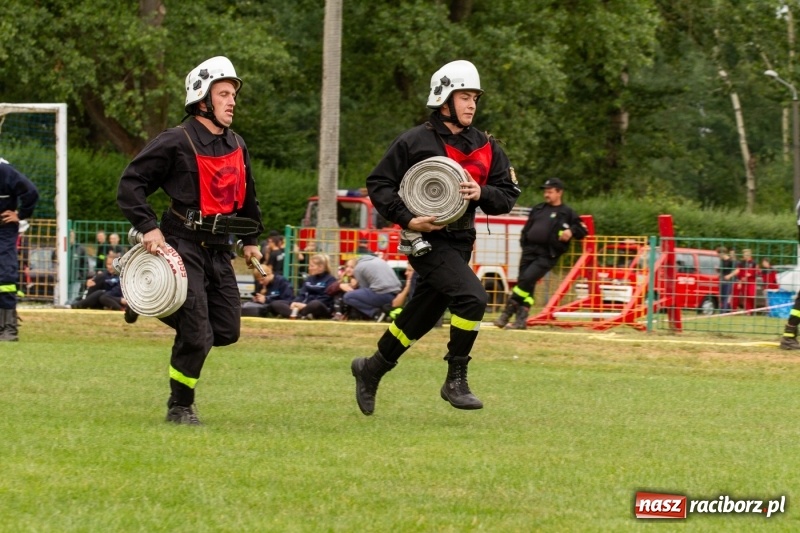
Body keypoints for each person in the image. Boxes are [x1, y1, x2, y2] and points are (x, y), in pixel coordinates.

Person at [351, 59, 520, 415]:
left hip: (462, 243)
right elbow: (379, 184)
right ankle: (455, 378)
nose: (472, 103)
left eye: (475, 97)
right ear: (444, 99)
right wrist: (409, 219)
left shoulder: (488, 146)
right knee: (473, 299)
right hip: (426, 242)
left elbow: (507, 195)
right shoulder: (414, 140)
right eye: (465, 96)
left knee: (422, 315)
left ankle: (371, 368)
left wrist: (482, 193)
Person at [117, 56, 264, 425]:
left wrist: (250, 240)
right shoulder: (174, 141)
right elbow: (130, 185)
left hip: (220, 251)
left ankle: (150, 299)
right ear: (202, 100)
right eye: (224, 94)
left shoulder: (237, 143)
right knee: (197, 334)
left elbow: (247, 196)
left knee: (226, 331)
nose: (232, 102)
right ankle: (180, 406)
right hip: (181, 244)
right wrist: (149, 227)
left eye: (233, 95)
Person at [494, 177, 587, 330]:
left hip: (547, 254)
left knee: (525, 280)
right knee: (526, 284)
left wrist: (571, 231)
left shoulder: (567, 213)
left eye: (550, 191)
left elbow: (582, 229)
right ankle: (520, 321)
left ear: (559, 193)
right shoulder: (538, 209)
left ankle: (506, 313)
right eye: (545, 191)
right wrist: (524, 243)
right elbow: (527, 228)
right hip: (529, 251)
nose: (546, 194)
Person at [0, 158, 39, 341]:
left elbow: (31, 192)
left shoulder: (5, 171)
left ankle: (8, 328)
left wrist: (21, 215)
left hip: (4, 229)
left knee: (5, 275)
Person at [270, 253, 336, 320]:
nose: (309, 268)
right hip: (303, 305)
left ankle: (292, 314)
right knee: (276, 303)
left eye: (312, 266)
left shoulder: (330, 280)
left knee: (315, 304)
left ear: (321, 267)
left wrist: (305, 305)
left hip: (318, 306)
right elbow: (302, 294)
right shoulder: (309, 279)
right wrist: (295, 303)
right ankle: (300, 316)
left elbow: (325, 299)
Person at [342, 254, 401, 320]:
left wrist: (354, 285)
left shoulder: (358, 268)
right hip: (397, 296)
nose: (348, 269)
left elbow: (364, 289)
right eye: (347, 267)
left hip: (384, 295)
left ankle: (376, 314)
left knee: (348, 297)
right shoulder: (377, 260)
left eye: (351, 267)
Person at [730, 248, 757, 313]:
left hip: (751, 282)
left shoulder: (753, 263)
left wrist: (750, 274)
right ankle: (747, 311)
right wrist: (740, 281)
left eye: (746, 255)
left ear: (749, 255)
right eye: (744, 255)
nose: (744, 256)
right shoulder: (741, 262)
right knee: (744, 297)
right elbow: (739, 271)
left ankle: (751, 310)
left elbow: (757, 272)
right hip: (743, 282)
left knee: (751, 296)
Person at [716, 246, 735, 313]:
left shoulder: (731, 261)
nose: (718, 256)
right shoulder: (721, 261)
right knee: (721, 297)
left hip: (728, 282)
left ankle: (723, 312)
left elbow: (736, 270)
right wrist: (718, 270)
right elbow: (722, 271)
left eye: (718, 254)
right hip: (721, 281)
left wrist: (729, 275)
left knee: (726, 297)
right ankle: (725, 311)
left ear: (722, 253)